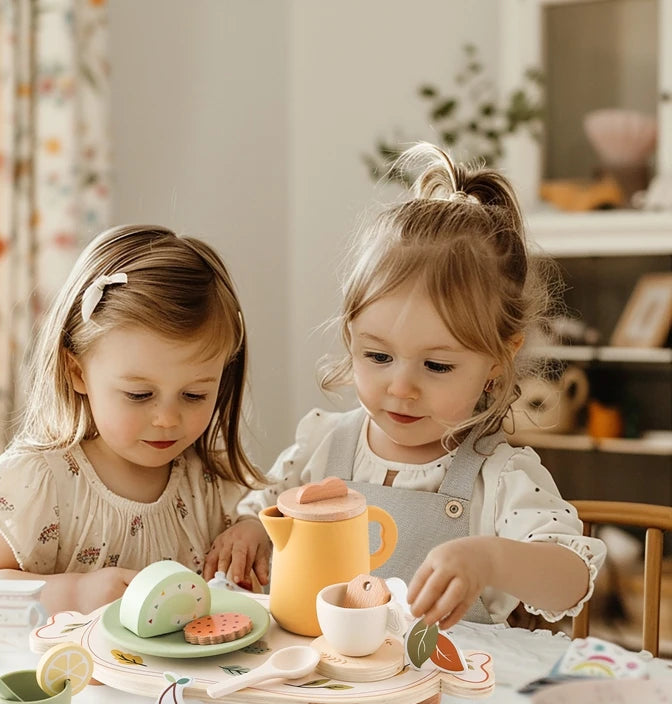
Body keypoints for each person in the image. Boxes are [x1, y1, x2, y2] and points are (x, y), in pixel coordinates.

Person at [238, 143, 606, 630]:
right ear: (352, 338)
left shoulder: (498, 476)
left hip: (446, 693)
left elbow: (571, 579)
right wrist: (248, 531)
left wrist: (492, 559)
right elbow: (263, 509)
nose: (402, 387)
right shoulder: (324, 444)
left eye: (436, 366)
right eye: (379, 356)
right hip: (335, 690)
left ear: (498, 361)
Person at [0, 225, 271, 614]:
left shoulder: (208, 481)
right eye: (139, 395)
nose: (168, 419)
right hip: (67, 674)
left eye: (194, 395)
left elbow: (270, 514)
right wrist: (74, 594)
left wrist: (254, 532)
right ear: (77, 373)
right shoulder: (41, 482)